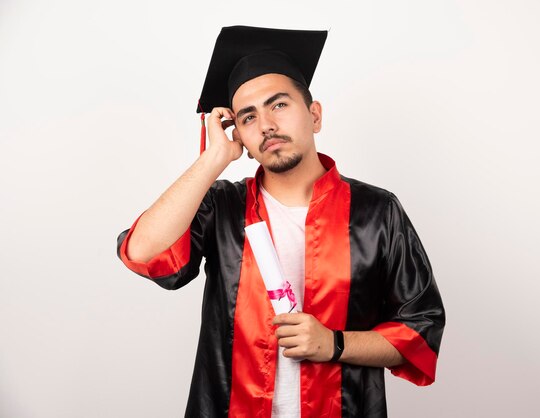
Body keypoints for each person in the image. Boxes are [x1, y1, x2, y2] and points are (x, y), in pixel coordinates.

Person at [116, 25, 445, 418]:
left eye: (279, 105)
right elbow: (142, 252)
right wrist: (212, 161)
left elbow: (420, 328)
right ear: (237, 132)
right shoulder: (222, 207)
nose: (266, 125)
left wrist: (334, 344)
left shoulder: (376, 211)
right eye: (248, 117)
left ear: (315, 115)